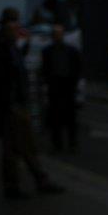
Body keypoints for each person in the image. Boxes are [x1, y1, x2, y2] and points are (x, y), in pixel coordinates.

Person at [0, 14, 63, 198]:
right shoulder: (3, 49)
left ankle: (18, 184)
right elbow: (3, 77)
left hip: (13, 103)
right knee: (24, 143)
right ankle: (37, 180)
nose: (17, 30)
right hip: (12, 104)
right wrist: (11, 102)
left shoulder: (8, 47)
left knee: (14, 147)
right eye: (14, 27)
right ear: (7, 27)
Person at [41, 24, 81, 152]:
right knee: (55, 117)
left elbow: (77, 67)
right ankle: (57, 144)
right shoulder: (47, 51)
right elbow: (45, 69)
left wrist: (75, 82)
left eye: (59, 33)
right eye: (55, 34)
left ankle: (72, 142)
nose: (57, 36)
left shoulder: (72, 51)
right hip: (55, 87)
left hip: (68, 86)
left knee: (70, 117)